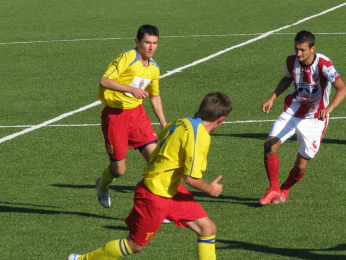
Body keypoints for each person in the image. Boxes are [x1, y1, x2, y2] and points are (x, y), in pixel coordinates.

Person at [67, 92, 232, 260]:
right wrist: (210, 189)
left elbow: (158, 148)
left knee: (207, 229)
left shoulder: (181, 122)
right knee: (134, 245)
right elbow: (191, 179)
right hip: (155, 196)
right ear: (221, 119)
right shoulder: (200, 137)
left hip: (171, 190)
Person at [259, 30, 346, 205]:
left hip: (315, 119)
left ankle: (284, 189)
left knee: (300, 167)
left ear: (312, 48)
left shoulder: (323, 63)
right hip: (293, 110)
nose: (298, 53)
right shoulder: (291, 60)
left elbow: (343, 88)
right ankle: (273, 189)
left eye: (302, 50)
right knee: (269, 145)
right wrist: (272, 97)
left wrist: (329, 108)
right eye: (296, 49)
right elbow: (287, 78)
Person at [96, 24, 167, 209]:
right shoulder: (127, 58)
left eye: (155, 43)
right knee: (119, 170)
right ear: (137, 42)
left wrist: (164, 125)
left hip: (137, 116)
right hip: (116, 116)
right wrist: (131, 89)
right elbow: (104, 81)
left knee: (157, 162)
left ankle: (159, 208)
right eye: (147, 42)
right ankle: (102, 185)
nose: (151, 47)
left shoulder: (154, 69)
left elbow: (154, 95)